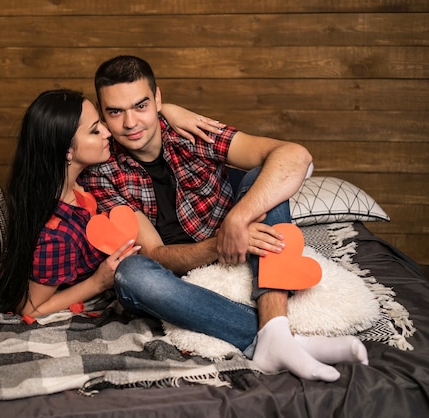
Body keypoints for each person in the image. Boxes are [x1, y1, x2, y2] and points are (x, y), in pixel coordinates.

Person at [80, 55, 369, 382]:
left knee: (264, 177)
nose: (131, 123)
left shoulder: (192, 132)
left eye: (141, 106)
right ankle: (276, 337)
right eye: (115, 112)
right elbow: (155, 255)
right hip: (178, 275)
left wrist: (238, 219)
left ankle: (275, 330)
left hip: (241, 247)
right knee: (131, 274)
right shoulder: (103, 173)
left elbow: (294, 155)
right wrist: (218, 245)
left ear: (158, 99)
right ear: (103, 115)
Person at [0, 88, 242, 320]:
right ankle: (251, 328)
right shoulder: (58, 235)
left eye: (101, 121)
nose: (108, 132)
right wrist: (99, 282)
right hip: (136, 274)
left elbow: (128, 113)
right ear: (66, 151)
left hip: (204, 210)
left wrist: (169, 109)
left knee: (259, 178)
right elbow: (31, 307)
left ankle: (272, 318)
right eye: (94, 130)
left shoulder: (83, 178)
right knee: (135, 271)